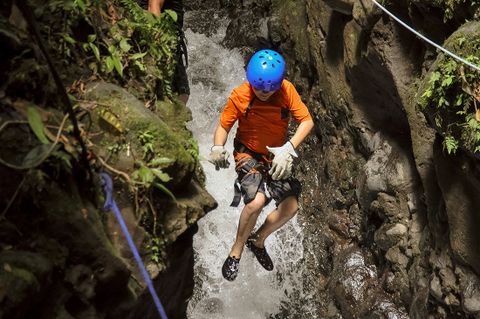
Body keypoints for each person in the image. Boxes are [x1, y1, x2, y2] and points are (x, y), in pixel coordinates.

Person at [209, 49, 314, 281]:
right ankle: (236, 251)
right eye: (259, 89)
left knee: (291, 207)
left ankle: (258, 241)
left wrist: (289, 147)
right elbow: (223, 127)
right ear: (250, 81)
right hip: (248, 153)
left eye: (270, 90)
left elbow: (306, 121)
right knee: (256, 201)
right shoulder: (240, 95)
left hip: (277, 155)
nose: (265, 94)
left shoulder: (287, 91)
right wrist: (218, 146)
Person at [140, 0, 190, 104]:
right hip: (163, 46)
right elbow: (153, 6)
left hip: (169, 43)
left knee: (182, 94)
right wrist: (157, 52)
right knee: (176, 96)